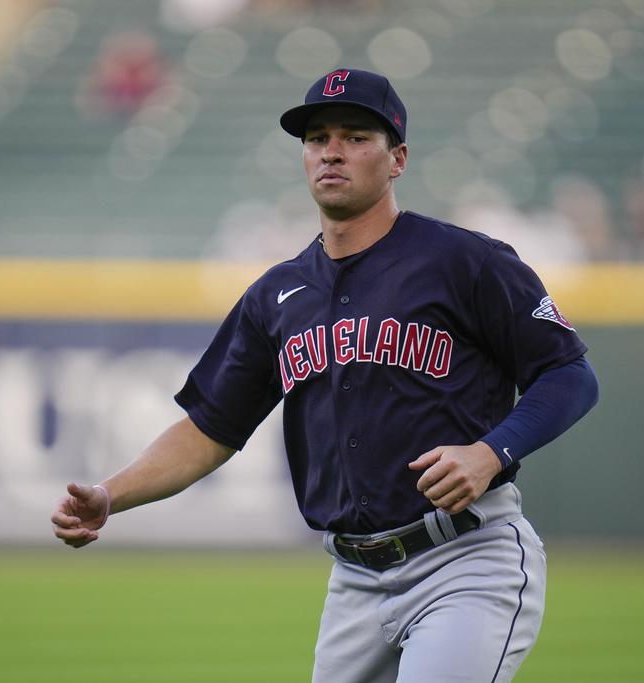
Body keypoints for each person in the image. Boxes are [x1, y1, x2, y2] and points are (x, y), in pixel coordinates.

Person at [51, 68, 600, 682]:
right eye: (317, 138)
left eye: (356, 136)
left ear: (398, 158)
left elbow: (570, 374)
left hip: (465, 558)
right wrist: (109, 496)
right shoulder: (277, 294)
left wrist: (489, 453)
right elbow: (209, 430)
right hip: (354, 579)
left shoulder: (466, 262)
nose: (331, 150)